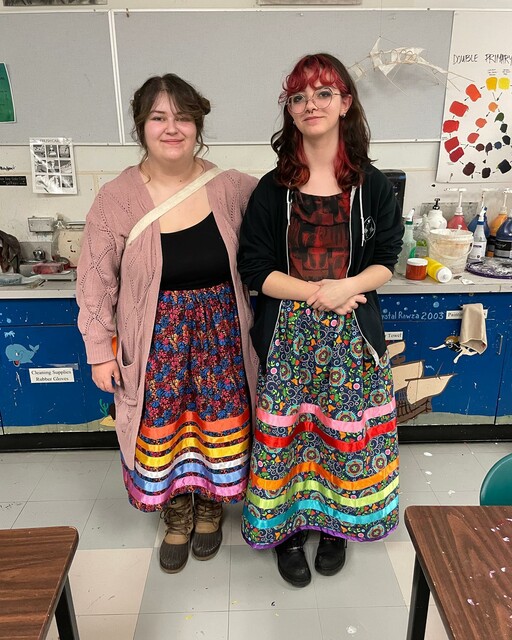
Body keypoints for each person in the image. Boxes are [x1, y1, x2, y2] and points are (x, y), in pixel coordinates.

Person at [77, 73, 258, 574]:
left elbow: (283, 225)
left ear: (199, 124)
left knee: (218, 428)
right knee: (165, 429)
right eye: (159, 117)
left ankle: (210, 511)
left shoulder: (234, 188)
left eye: (183, 117)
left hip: (222, 336)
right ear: (141, 126)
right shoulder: (116, 198)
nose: (171, 128)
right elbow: (95, 282)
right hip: (155, 340)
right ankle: (176, 516)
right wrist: (98, 351)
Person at [238, 53, 401, 588]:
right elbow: (255, 269)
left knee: (341, 437)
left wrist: (348, 287)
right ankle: (286, 536)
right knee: (288, 438)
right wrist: (317, 293)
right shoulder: (271, 188)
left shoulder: (373, 186)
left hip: (354, 339)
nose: (311, 104)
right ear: (290, 110)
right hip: (289, 338)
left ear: (345, 103)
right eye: (299, 96)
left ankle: (337, 528)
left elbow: (386, 258)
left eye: (323, 93)